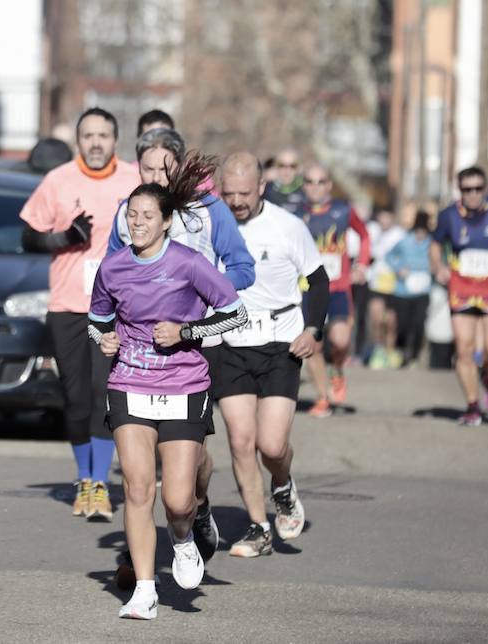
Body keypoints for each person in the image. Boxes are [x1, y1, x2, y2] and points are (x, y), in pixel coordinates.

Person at [88, 154, 248, 620]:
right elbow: (96, 322)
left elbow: (234, 312)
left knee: (177, 500)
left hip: (184, 384)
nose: (137, 223)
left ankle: (182, 537)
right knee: (138, 489)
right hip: (129, 382)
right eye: (131, 216)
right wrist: (106, 339)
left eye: (146, 217)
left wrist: (186, 332)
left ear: (167, 222)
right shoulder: (113, 267)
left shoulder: (189, 264)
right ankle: (143, 588)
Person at [20, 108, 140, 521]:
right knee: (74, 399)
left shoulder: (133, 180)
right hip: (68, 305)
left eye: (103, 135)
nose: (95, 142)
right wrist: (64, 236)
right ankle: (83, 477)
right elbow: (28, 236)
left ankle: (99, 484)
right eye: (88, 135)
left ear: (115, 141)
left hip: (118, 308)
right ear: (78, 141)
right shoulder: (58, 181)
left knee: (101, 390)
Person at [215, 154, 328, 557]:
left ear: (262, 187)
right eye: (227, 193)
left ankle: (282, 485)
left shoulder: (287, 226)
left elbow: (318, 279)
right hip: (230, 343)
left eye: (244, 193)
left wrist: (313, 329)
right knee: (241, 440)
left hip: (280, 341)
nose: (235, 202)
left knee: (272, 445)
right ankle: (258, 527)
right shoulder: (212, 222)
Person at [430, 166, 488, 426]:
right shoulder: (449, 215)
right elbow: (436, 244)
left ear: (485, 189)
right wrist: (438, 267)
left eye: (478, 189)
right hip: (462, 286)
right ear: (460, 191)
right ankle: (472, 406)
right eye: (467, 189)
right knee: (464, 349)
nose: (473, 194)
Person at [300, 165, 370, 416]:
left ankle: (337, 370)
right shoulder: (295, 214)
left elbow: (364, 235)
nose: (315, 186)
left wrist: (361, 265)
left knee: (340, 340)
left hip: (338, 287)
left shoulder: (343, 210)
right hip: (307, 289)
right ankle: (322, 398)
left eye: (321, 181)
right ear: (304, 185)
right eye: (310, 181)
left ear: (329, 185)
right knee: (313, 347)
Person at [385, 211, 433, 366]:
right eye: (418, 231)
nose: (420, 235)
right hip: (403, 292)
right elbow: (389, 256)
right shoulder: (405, 241)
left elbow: (440, 260)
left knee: (419, 324)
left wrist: (436, 268)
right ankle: (401, 352)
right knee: (403, 325)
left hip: (422, 292)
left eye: (423, 232)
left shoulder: (432, 244)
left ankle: (414, 355)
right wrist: (399, 268)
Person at [366, 207, 406, 369]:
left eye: (387, 217)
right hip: (376, 283)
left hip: (394, 285)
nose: (384, 221)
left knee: (390, 322)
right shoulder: (372, 231)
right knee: (376, 318)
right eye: (381, 217)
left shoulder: (400, 235)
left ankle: (390, 352)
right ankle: (378, 350)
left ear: (392, 218)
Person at [265, 148, 308, 217]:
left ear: (299, 168)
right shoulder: (265, 188)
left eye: (292, 166)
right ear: (275, 167)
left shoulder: (306, 189)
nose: (287, 170)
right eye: (282, 165)